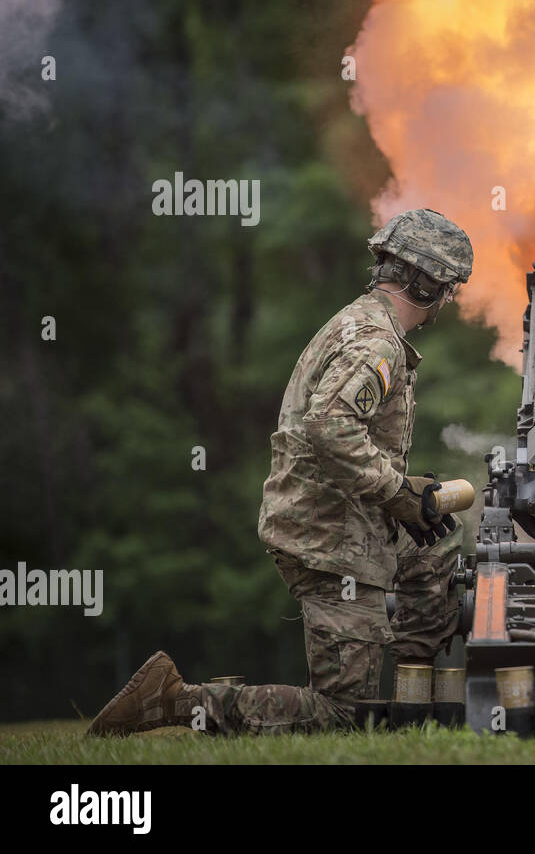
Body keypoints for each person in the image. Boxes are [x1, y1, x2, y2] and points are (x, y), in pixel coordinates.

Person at [87, 209, 473, 736]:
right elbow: (330, 427)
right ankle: (177, 700)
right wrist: (398, 491)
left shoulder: (357, 323)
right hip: (332, 539)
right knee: (342, 717)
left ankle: (416, 712)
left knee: (434, 559)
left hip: (349, 522)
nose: (447, 302)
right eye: (447, 288)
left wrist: (405, 495)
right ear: (427, 285)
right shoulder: (375, 343)